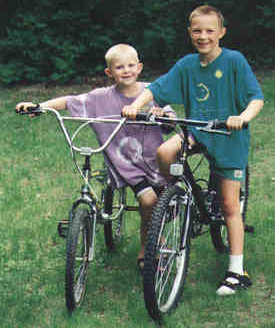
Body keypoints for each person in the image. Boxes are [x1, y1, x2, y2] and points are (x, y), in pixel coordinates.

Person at [122, 5, 264, 295]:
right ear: (190, 33)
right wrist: (137, 105)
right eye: (197, 31)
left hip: (228, 134)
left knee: (228, 205)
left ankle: (237, 270)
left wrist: (243, 117)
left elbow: (256, 98)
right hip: (197, 130)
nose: (203, 36)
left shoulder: (234, 61)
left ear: (221, 33)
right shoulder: (187, 64)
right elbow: (157, 88)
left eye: (210, 30)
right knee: (164, 152)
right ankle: (172, 200)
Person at [16, 43, 176, 275]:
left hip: (155, 161)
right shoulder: (100, 98)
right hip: (128, 166)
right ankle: (146, 250)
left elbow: (172, 120)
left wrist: (163, 115)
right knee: (149, 201)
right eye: (119, 67)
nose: (126, 70)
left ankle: (160, 233)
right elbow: (70, 101)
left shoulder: (153, 91)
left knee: (164, 205)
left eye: (131, 65)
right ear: (109, 73)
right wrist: (40, 106)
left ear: (139, 67)